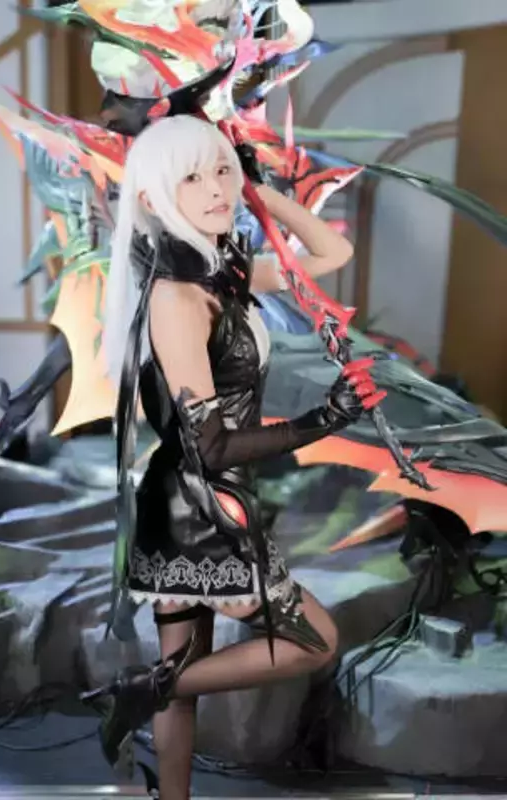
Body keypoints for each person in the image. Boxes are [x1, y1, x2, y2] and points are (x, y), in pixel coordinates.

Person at [96, 114, 385, 800]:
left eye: (222, 170)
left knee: (184, 677)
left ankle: (155, 707)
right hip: (200, 505)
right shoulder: (176, 296)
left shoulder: (221, 273)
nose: (215, 189)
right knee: (315, 640)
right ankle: (144, 688)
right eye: (192, 177)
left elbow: (331, 253)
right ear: (152, 199)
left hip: (206, 496)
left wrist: (258, 191)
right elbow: (210, 443)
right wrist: (324, 419)